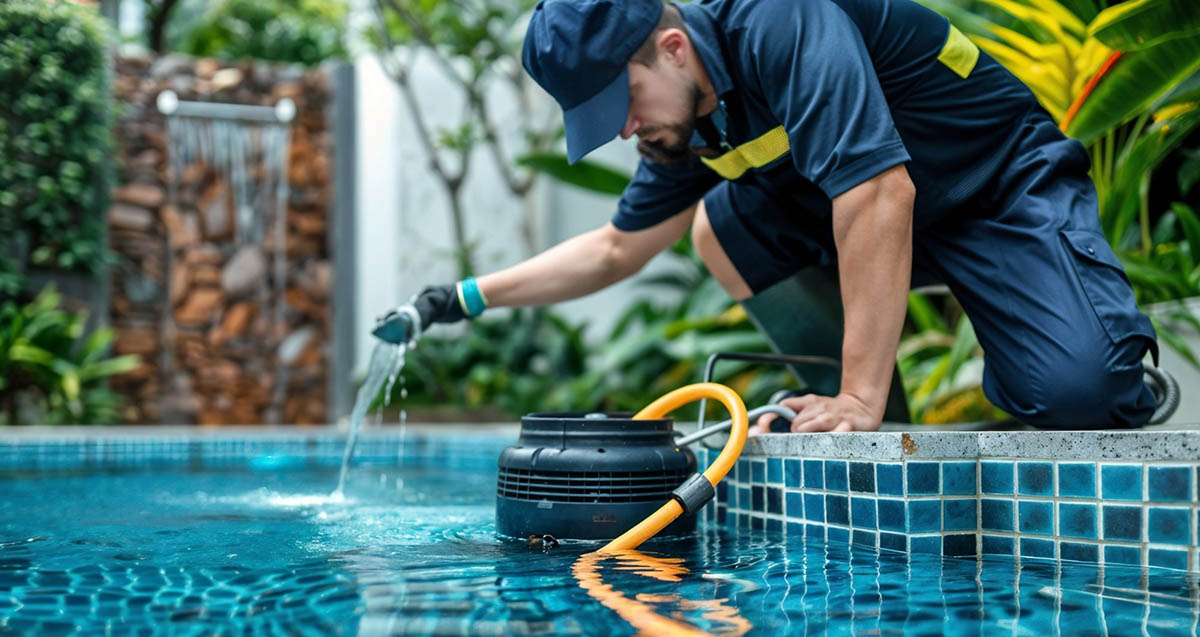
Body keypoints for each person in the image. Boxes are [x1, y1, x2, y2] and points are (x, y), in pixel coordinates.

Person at [402, 0, 1160, 432]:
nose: (625, 130)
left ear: (671, 47)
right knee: (723, 226)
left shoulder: (780, 18)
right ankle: (873, 434)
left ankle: (872, 398)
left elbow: (877, 194)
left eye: (622, 103)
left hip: (995, 191)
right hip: (885, 222)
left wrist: (855, 393)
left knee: (1083, 399)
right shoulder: (688, 118)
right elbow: (613, 250)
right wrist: (462, 299)